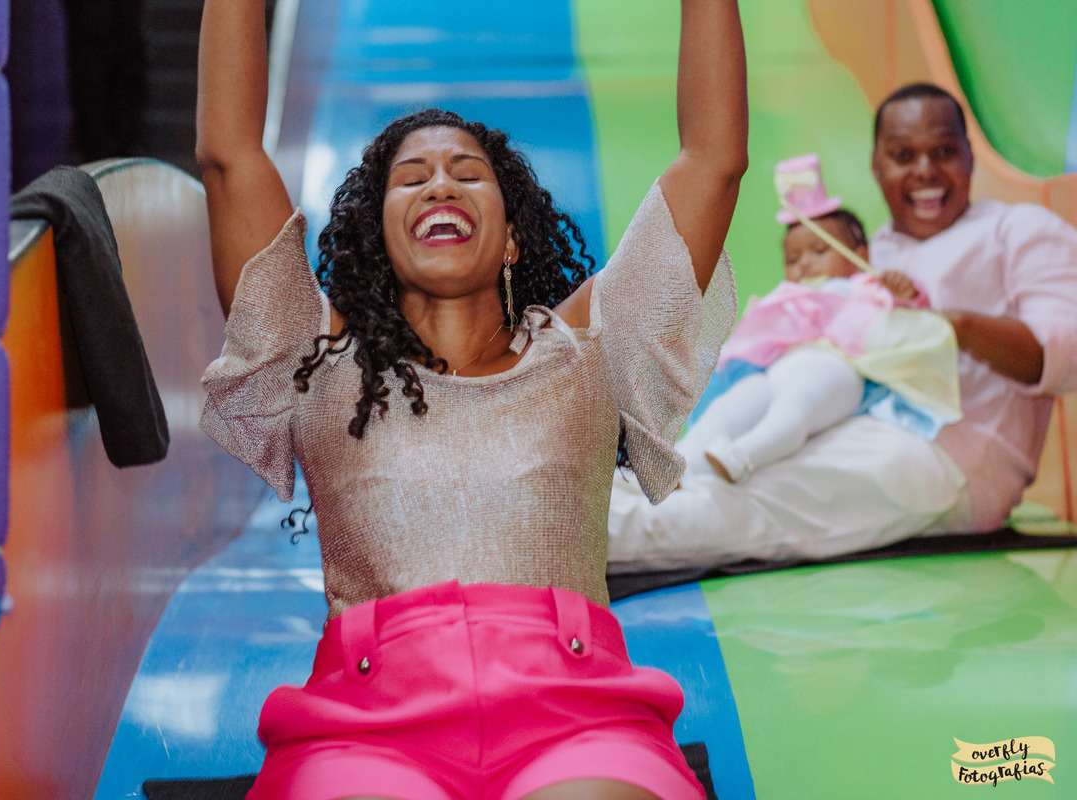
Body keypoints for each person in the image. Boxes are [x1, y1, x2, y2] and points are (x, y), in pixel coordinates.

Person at [195, 1, 747, 798]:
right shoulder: (314, 356)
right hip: (367, 722)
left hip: (579, 715)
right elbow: (227, 157)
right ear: (378, 236)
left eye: (467, 172)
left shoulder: (592, 348)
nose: (440, 184)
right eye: (410, 179)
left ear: (514, 234)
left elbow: (714, 160)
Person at [608, 82, 1077, 574]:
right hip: (848, 419)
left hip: (950, 459)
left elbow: (1063, 356)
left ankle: (581, 534)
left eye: (944, 152)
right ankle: (600, 495)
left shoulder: (1019, 230)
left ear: (969, 157)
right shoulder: (868, 253)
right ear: (876, 166)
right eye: (903, 155)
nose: (925, 172)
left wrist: (956, 327)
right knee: (727, 458)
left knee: (763, 503)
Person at [679, 191, 960, 485]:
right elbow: (753, 340)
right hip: (775, 371)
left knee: (797, 403)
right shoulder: (784, 298)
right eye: (793, 259)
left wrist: (904, 294)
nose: (804, 264)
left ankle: (745, 454)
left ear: (860, 257)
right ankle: (683, 460)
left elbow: (905, 324)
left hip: (836, 367)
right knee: (735, 403)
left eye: (820, 251)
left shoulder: (865, 288)